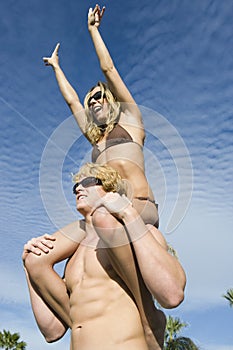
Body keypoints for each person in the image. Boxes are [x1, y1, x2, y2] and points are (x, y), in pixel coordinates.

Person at [23, 163, 186, 350]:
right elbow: (52, 330)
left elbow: (172, 295)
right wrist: (29, 265)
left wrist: (128, 213)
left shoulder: (139, 233)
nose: (78, 188)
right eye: (75, 186)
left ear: (110, 188)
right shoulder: (74, 256)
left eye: (88, 181)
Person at [43, 4, 159, 231]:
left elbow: (109, 70)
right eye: (91, 101)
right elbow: (73, 102)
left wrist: (93, 31)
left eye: (98, 96)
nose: (94, 101)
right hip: (103, 211)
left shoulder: (130, 119)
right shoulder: (96, 137)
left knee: (103, 220)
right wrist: (56, 67)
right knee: (38, 255)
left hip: (138, 207)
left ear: (110, 98)